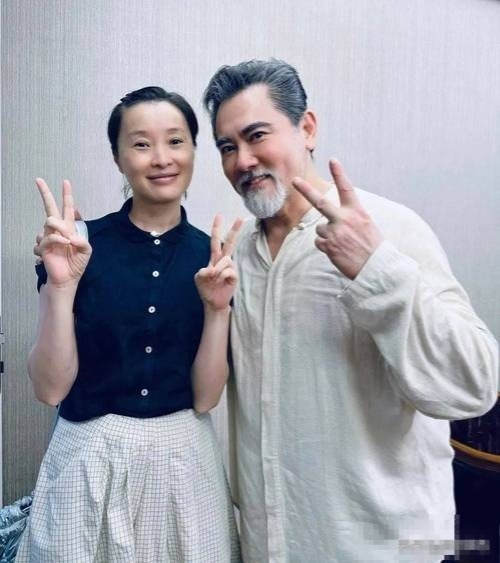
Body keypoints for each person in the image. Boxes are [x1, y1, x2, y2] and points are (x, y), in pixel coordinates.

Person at [202, 59, 499, 562]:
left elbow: (474, 383)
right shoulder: (238, 256)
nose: (243, 161)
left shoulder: (387, 228)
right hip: (271, 543)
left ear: (307, 128)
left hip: (383, 547)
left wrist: (376, 269)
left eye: (257, 135)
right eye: (227, 147)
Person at [17, 86, 241, 562]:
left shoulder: (212, 258)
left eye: (175, 141)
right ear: (118, 158)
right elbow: (50, 390)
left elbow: (206, 398)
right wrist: (61, 285)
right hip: (86, 458)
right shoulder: (76, 247)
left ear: (193, 150)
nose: (161, 158)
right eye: (141, 144)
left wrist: (218, 309)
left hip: (183, 460)